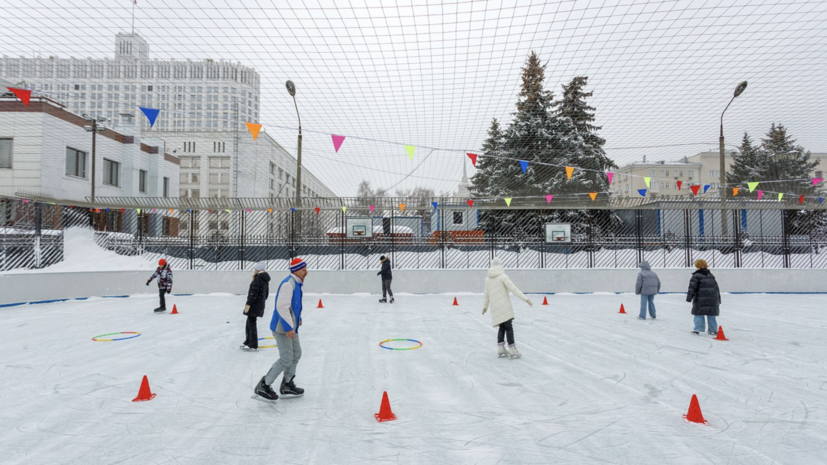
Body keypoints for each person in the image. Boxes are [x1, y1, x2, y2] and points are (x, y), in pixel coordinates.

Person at [254, 258, 308, 401]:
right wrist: (289, 327)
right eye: (303, 270)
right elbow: (282, 307)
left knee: (296, 354)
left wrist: (298, 318)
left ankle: (287, 384)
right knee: (286, 358)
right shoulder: (288, 284)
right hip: (282, 328)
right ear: (296, 270)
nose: (306, 272)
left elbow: (293, 305)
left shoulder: (296, 283)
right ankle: (264, 385)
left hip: (291, 326)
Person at [482, 257, 532, 359]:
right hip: (505, 306)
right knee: (509, 327)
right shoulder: (503, 276)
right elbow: (514, 289)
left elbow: (486, 295)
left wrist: (485, 306)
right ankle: (512, 349)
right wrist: (525, 299)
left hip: (495, 307)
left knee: (502, 327)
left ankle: (500, 348)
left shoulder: (488, 279)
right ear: (500, 265)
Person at [686, 259, 721, 335]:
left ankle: (698, 328)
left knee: (699, 313)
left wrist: (689, 298)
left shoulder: (696, 276)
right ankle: (713, 329)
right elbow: (716, 288)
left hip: (700, 299)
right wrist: (718, 299)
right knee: (711, 314)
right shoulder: (711, 275)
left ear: (697, 266)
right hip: (712, 299)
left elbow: (692, 288)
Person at [241, 261, 270, 351]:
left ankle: (253, 344)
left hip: (254, 304)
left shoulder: (258, 279)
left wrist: (248, 304)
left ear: (258, 269)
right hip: (259, 304)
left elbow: (253, 293)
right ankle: (248, 341)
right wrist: (261, 302)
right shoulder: (264, 279)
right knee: (249, 322)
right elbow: (266, 294)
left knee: (251, 323)